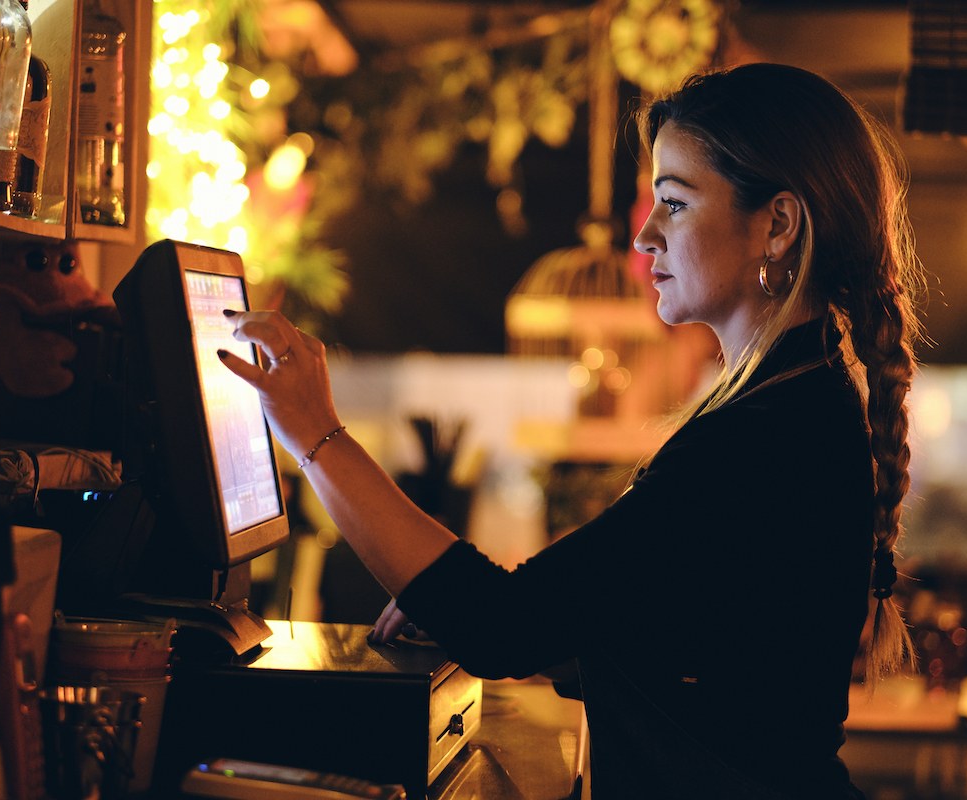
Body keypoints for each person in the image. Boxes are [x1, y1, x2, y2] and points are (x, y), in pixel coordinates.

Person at [218, 62, 922, 800]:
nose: (647, 236)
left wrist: (314, 434)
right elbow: (711, 663)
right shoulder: (796, 400)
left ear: (777, 225)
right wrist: (506, 629)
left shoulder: (765, 432)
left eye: (675, 204)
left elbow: (499, 627)